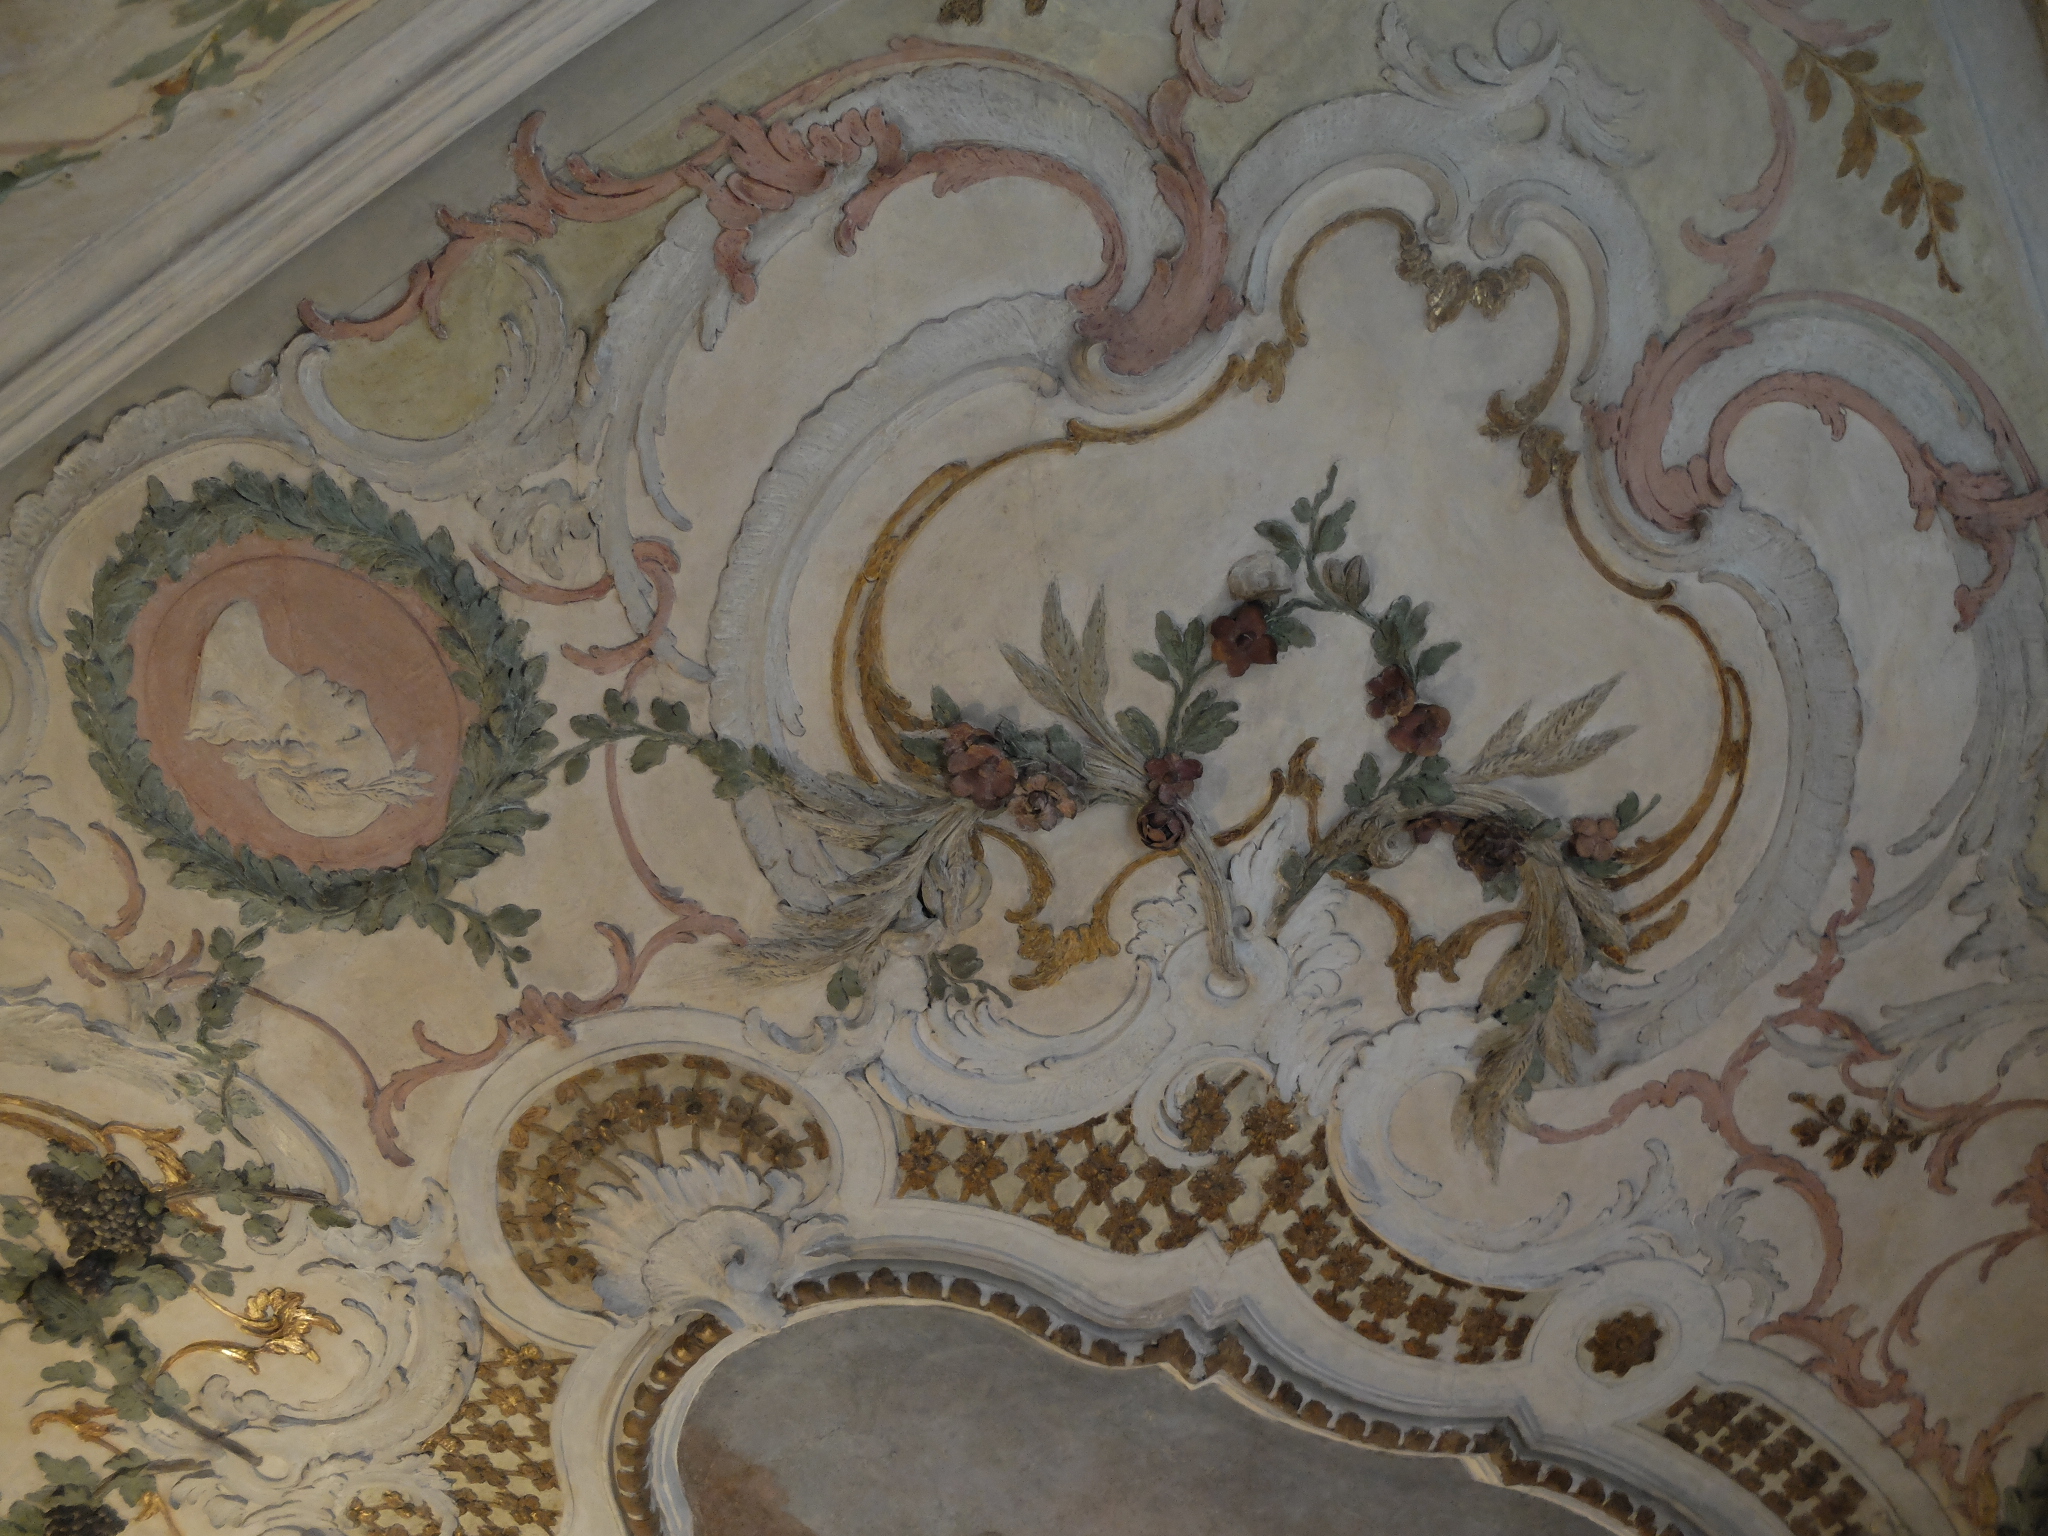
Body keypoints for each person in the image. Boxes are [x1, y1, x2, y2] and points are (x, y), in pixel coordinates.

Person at [184, 599, 431, 838]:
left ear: (292, 742)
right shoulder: (241, 636)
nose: (361, 705)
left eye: (351, 734)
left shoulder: (219, 688)